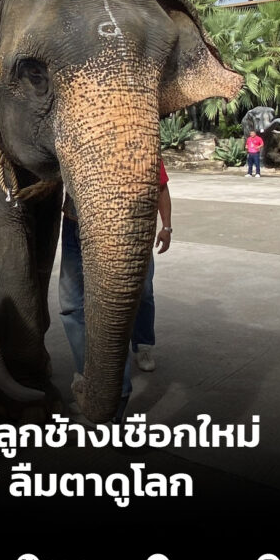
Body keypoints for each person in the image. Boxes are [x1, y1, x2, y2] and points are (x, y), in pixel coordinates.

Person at [59, 160, 173, 418]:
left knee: (135, 298)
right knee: (70, 305)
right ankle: (85, 372)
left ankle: (140, 349)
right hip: (74, 223)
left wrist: (166, 226)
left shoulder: (133, 134)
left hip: (124, 225)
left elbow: (161, 185)